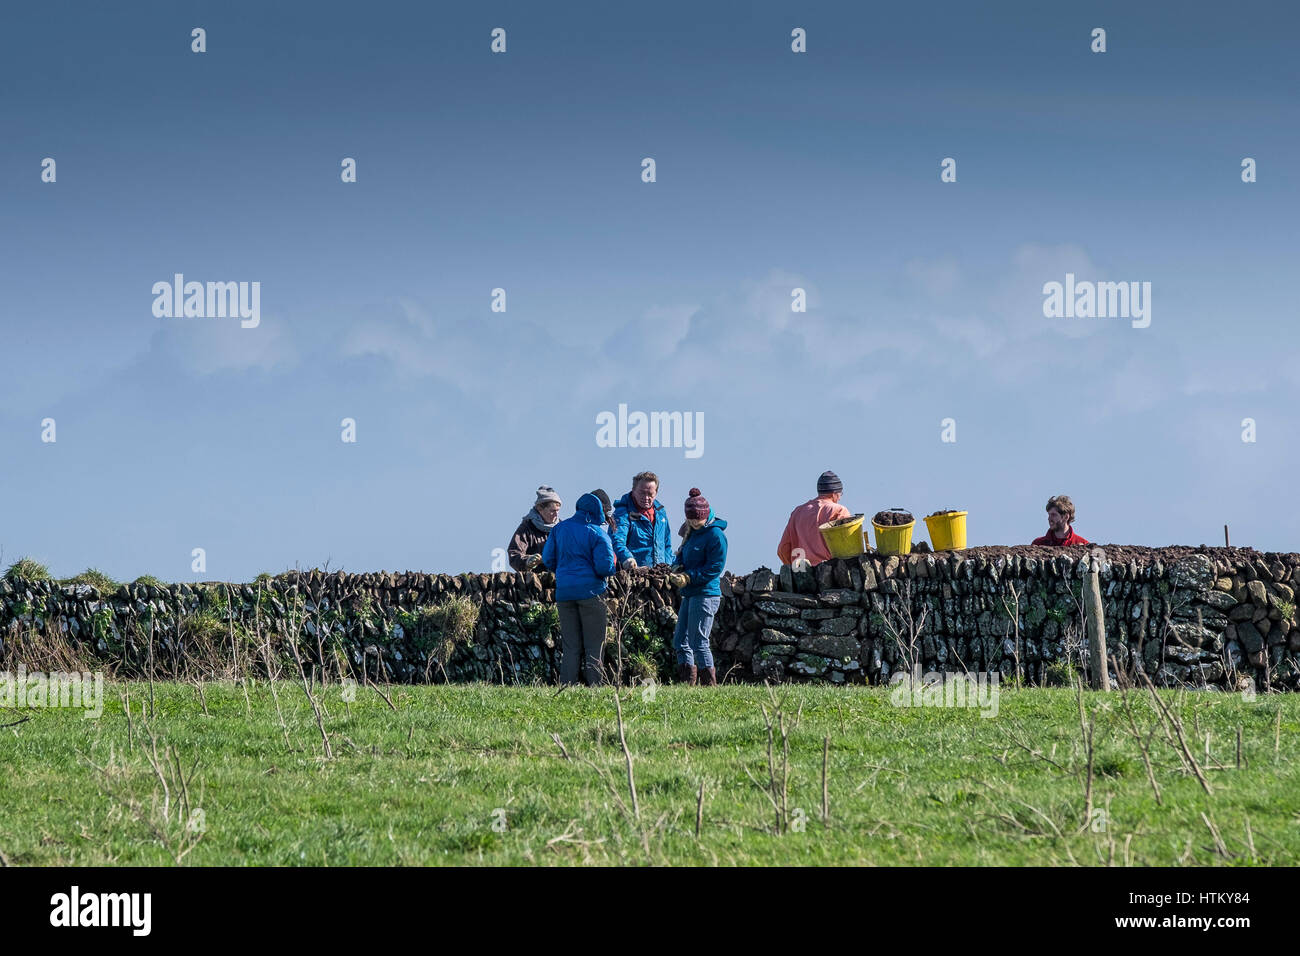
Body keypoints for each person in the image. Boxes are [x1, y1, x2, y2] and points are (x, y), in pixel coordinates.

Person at [542, 492, 618, 685]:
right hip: (592, 593)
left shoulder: (559, 529)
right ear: (598, 510)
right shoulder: (597, 533)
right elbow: (605, 567)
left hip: (565, 593)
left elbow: (548, 559)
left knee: (571, 645)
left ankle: (567, 686)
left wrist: (564, 573)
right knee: (594, 645)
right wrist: (614, 563)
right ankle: (595, 686)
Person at [668, 488, 728, 686]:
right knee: (681, 640)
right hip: (691, 593)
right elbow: (683, 555)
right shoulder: (691, 532)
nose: (693, 523)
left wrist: (688, 577)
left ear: (705, 515)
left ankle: (708, 686)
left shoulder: (715, 536)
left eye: (697, 519)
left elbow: (714, 568)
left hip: (705, 594)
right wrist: (677, 565)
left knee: (698, 642)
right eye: (690, 519)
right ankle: (687, 683)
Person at [777, 471, 851, 568]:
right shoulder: (839, 510)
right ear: (834, 494)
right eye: (840, 494)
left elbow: (783, 549)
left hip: (800, 573)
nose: (840, 498)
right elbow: (848, 548)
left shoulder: (797, 512)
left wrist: (794, 570)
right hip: (829, 572)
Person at [612, 471, 674, 570]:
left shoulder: (661, 513)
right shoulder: (622, 514)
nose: (646, 498)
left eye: (650, 494)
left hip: (659, 576)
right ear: (633, 490)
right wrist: (628, 559)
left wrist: (669, 567)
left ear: (656, 493)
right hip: (634, 575)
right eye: (642, 492)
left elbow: (667, 545)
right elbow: (617, 541)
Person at [507, 486, 562, 572]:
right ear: (540, 508)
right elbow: (514, 553)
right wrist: (527, 561)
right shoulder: (527, 528)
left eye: (557, 510)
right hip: (534, 582)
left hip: (560, 579)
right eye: (552, 511)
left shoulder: (561, 528)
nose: (556, 515)